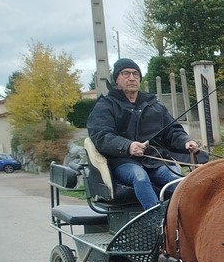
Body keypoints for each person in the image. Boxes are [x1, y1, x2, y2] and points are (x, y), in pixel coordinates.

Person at [86, 58, 202, 210]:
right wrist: (127, 146)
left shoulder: (154, 106)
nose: (132, 78)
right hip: (123, 162)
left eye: (136, 74)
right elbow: (101, 136)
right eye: (126, 73)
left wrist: (186, 141)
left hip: (154, 162)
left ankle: (191, 216)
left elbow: (172, 131)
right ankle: (155, 219)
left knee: (176, 180)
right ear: (116, 79)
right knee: (140, 177)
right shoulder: (106, 105)